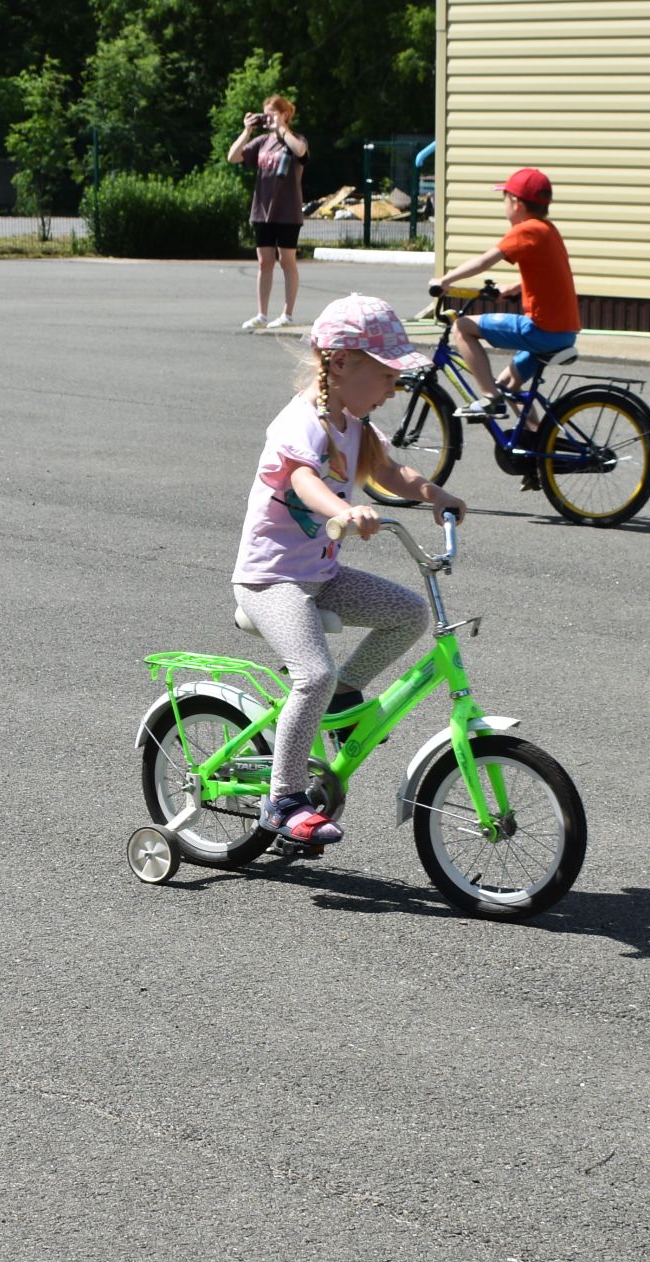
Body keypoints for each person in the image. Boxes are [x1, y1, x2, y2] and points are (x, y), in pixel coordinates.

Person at [232, 294, 468, 847]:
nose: (393, 388)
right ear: (340, 364)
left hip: (321, 575)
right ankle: (283, 797)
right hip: (272, 578)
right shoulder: (301, 424)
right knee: (309, 674)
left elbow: (390, 471)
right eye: (386, 375)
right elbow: (302, 482)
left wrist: (434, 493)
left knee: (407, 614)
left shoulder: (355, 425)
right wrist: (344, 510)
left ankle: (345, 692)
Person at [429, 168, 580, 439]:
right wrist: (516, 288)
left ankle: (489, 398)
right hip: (563, 332)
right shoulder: (547, 230)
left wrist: (446, 280)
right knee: (508, 384)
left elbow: (485, 261)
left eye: (505, 197)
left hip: (541, 330)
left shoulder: (526, 229)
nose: (504, 204)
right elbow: (551, 274)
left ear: (516, 203)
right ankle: (541, 449)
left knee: (462, 327)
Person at [227, 94, 309, 330]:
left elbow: (301, 152)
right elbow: (233, 157)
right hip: (262, 210)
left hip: (287, 211)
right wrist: (247, 131)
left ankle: (287, 314)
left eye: (272, 114)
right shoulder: (262, 142)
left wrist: (282, 129)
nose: (268, 119)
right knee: (265, 262)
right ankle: (262, 314)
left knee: (286, 260)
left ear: (285, 114)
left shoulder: (295, 138)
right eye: (266, 114)